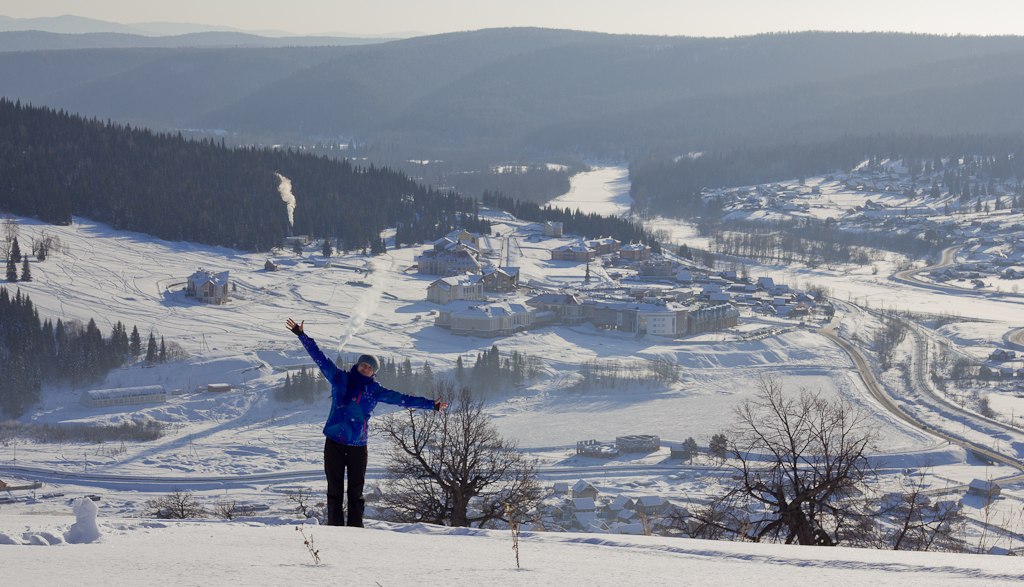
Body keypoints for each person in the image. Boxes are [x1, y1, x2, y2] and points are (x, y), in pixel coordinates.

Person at [286, 318, 447, 527]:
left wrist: (431, 405)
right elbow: (320, 359)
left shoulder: (375, 390)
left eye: (370, 367)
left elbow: (402, 399)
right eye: (363, 364)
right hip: (334, 441)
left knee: (356, 492)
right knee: (334, 490)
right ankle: (334, 527)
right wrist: (302, 335)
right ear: (357, 364)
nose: (365, 368)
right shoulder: (340, 379)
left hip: (358, 445)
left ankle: (355, 530)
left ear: (374, 373)